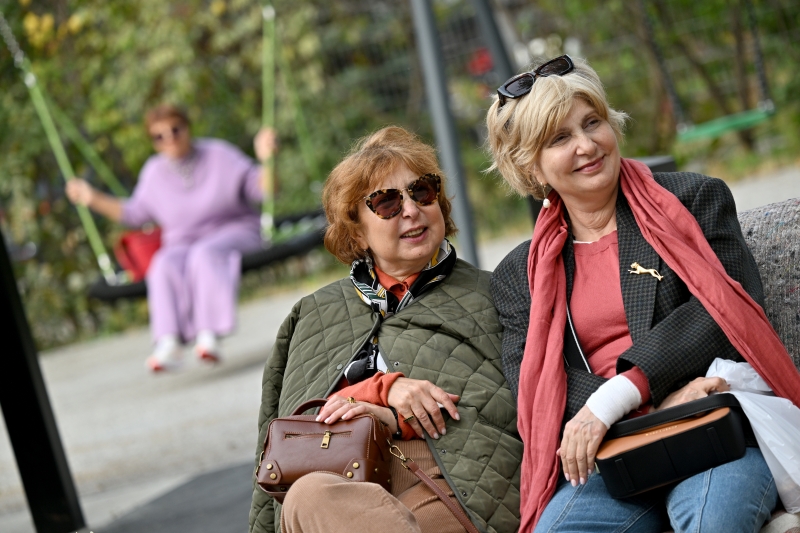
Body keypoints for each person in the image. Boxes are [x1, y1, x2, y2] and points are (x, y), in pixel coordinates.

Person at [485, 55, 800, 532]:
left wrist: (620, 397)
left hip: (710, 429)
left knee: (711, 521)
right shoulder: (518, 274)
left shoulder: (694, 200)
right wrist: (649, 407)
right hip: (611, 456)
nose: (588, 145)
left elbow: (725, 311)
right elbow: (536, 383)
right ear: (532, 167)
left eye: (593, 123)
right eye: (560, 138)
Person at [248, 126, 522, 533]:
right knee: (307, 496)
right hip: (335, 477)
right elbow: (286, 431)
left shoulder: (490, 293)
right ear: (357, 230)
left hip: (450, 474)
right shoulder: (314, 314)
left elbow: (514, 409)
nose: (410, 209)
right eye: (387, 202)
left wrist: (394, 419)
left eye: (421, 192)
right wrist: (381, 391)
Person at [66, 104, 277, 371]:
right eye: (159, 136)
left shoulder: (219, 154)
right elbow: (134, 214)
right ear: (153, 142)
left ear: (188, 129)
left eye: (176, 130)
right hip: (183, 244)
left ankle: (209, 334)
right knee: (163, 262)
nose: (170, 139)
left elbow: (264, 190)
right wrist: (91, 198)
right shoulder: (154, 172)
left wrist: (267, 159)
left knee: (205, 253)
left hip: (235, 231)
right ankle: (169, 342)